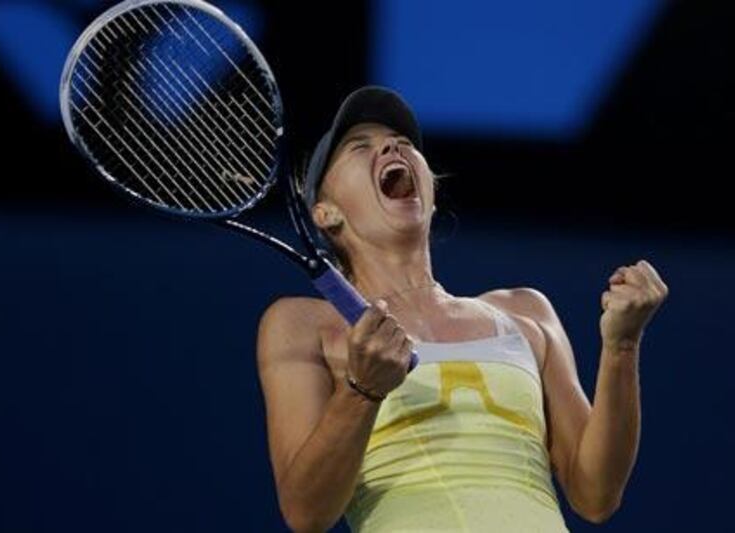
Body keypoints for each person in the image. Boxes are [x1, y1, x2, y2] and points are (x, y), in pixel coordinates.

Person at [256, 86, 668, 532]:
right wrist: (362, 392)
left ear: (431, 190)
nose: (394, 147)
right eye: (361, 147)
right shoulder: (303, 324)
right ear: (326, 213)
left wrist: (622, 346)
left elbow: (595, 495)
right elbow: (305, 512)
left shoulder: (526, 314)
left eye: (405, 144)